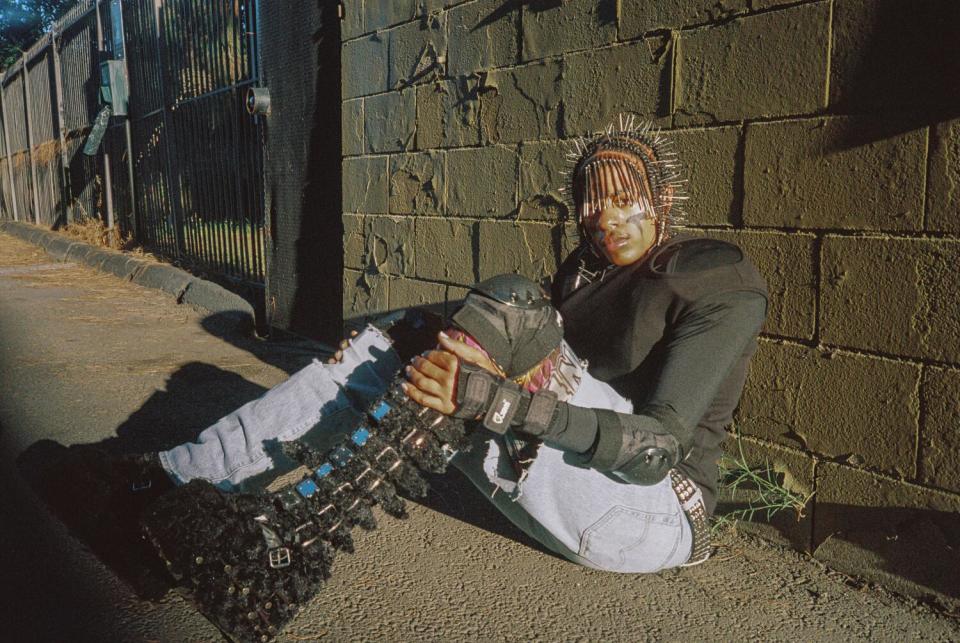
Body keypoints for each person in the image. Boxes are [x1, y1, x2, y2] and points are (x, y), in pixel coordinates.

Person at [403, 118, 768, 568]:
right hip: (572, 485)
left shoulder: (710, 276)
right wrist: (398, 341)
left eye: (622, 200)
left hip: (654, 510)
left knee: (513, 305)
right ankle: (304, 513)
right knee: (393, 360)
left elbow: (656, 449)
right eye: (592, 205)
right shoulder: (583, 273)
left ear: (663, 200)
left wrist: (494, 401)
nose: (607, 219)